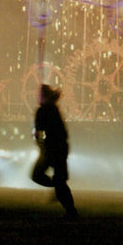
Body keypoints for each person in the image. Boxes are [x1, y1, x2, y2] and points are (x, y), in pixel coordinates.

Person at [31, 84, 78, 219]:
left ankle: (66, 203)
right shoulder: (54, 109)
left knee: (37, 175)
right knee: (59, 179)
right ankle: (69, 207)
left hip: (51, 149)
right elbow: (63, 132)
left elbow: (39, 133)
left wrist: (41, 146)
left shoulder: (43, 111)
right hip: (60, 148)